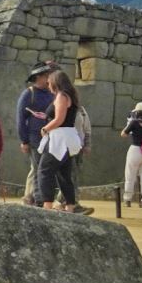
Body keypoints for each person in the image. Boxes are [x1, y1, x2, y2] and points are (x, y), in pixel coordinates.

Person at [33, 70, 92, 212]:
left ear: (55, 82)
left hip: (59, 138)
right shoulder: (68, 96)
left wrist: (45, 129)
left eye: (49, 82)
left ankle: (47, 205)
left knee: (44, 170)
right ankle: (70, 206)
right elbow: (61, 117)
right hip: (68, 137)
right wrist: (46, 117)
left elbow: (59, 119)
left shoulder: (61, 96)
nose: (48, 85)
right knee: (63, 174)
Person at [16, 64, 55, 202]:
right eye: (46, 76)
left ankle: (41, 197)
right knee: (40, 168)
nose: (48, 79)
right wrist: (24, 140)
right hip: (35, 138)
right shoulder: (28, 94)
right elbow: (20, 119)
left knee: (47, 169)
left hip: (52, 137)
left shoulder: (52, 93)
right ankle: (39, 199)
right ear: (38, 77)